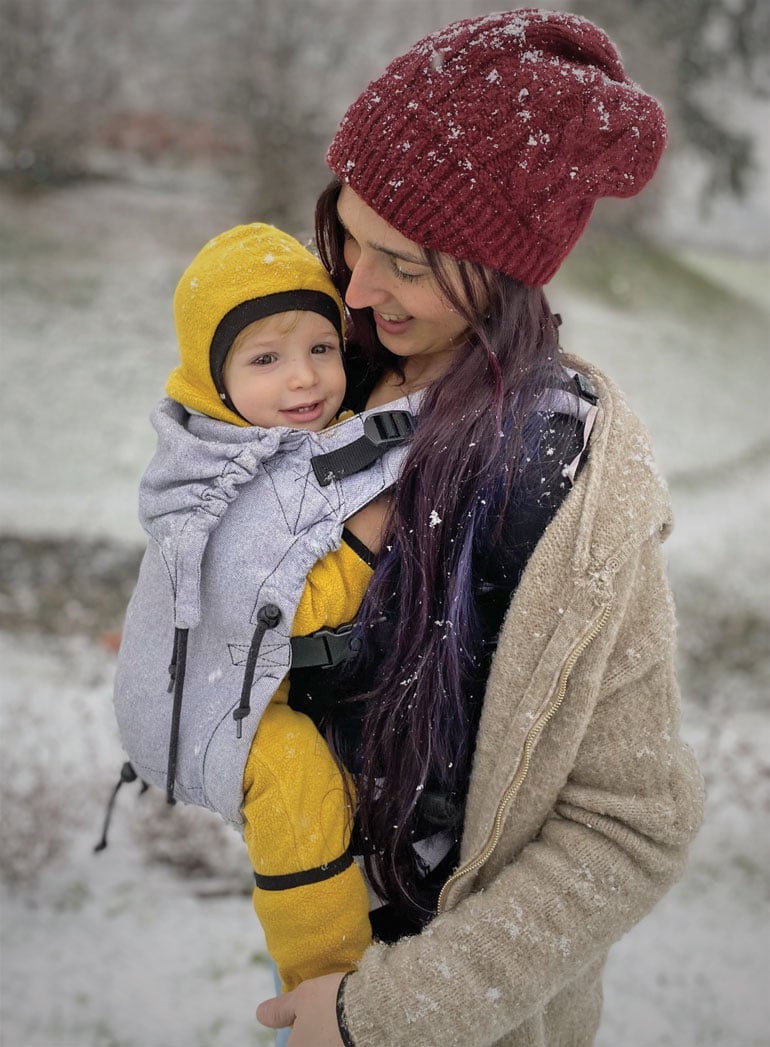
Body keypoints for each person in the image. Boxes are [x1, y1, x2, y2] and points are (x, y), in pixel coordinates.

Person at [255, 9, 705, 1046]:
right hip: (308, 952)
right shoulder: (330, 375)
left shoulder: (563, 483)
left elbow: (628, 828)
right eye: (347, 237)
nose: (358, 290)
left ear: (502, 267)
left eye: (403, 264)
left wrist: (387, 1014)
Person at [118, 222, 373, 993]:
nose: (304, 380)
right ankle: (323, 981)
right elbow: (284, 604)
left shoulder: (280, 432)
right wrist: (366, 542)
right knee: (298, 783)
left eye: (321, 349)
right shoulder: (218, 469)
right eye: (266, 358)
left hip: (215, 677)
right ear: (213, 374)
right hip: (182, 701)